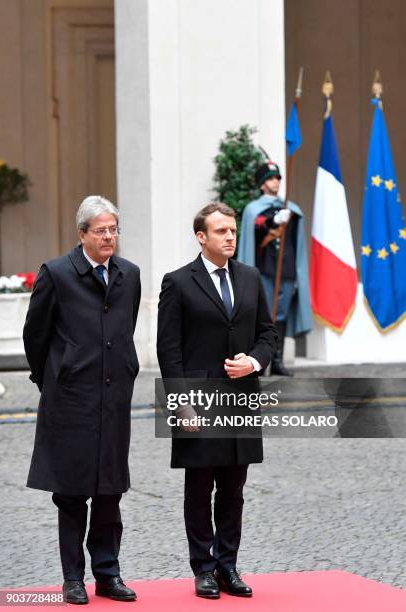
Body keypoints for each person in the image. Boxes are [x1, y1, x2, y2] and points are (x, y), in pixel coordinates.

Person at [23, 196, 141, 605]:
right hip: (71, 402)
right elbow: (35, 337)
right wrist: (56, 378)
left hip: (114, 400)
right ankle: (72, 578)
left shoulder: (130, 274)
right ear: (82, 234)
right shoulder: (56, 274)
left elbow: (126, 328)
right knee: (71, 493)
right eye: (101, 231)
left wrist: (126, 367)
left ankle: (108, 574)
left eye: (113, 230)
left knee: (110, 491)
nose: (109, 237)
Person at [157, 203, 277, 599]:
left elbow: (267, 334)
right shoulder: (178, 282)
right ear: (201, 237)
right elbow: (168, 351)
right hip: (199, 401)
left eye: (232, 231)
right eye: (221, 231)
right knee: (199, 487)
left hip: (241, 400)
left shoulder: (249, 277)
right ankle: (203, 568)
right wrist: (181, 404)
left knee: (233, 488)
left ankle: (229, 565)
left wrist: (254, 361)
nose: (230, 237)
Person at [238, 160, 312, 376]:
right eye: (271, 178)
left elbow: (296, 238)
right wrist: (273, 221)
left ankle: (277, 360)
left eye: (278, 177)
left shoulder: (291, 209)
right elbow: (259, 224)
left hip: (287, 270)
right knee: (263, 317)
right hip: (264, 271)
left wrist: (291, 217)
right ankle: (259, 362)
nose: (276, 181)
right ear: (262, 184)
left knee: (281, 316)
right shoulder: (254, 210)